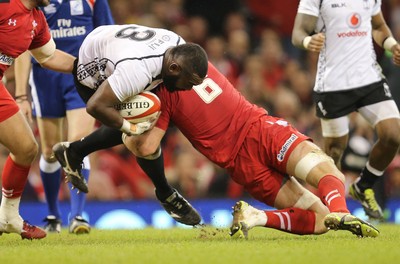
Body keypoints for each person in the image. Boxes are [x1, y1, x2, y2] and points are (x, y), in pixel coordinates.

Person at [57, 60, 379, 238]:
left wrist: (131, 126)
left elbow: (148, 147)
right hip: (260, 131)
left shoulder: (162, 97)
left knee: (320, 219)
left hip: (240, 163)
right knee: (327, 173)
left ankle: (256, 218)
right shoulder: (200, 63)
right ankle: (344, 213)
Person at [52, 23, 209, 226]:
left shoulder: (177, 44)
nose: (187, 89)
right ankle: (166, 193)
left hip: (111, 43)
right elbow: (95, 106)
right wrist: (129, 127)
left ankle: (73, 152)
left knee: (153, 118)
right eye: (188, 83)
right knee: (140, 125)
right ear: (173, 68)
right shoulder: (136, 72)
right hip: (92, 72)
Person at [291, 0, 400, 220]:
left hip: (369, 79)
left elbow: (378, 27)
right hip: (333, 86)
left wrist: (391, 45)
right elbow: (297, 32)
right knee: (334, 154)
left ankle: (363, 186)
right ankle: (330, 209)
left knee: (393, 135)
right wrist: (308, 40)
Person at [13, 0, 114, 234]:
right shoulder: (36, 2)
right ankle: (52, 214)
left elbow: (107, 36)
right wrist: (21, 94)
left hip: (82, 75)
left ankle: (77, 215)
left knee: (76, 143)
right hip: (44, 77)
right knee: (49, 150)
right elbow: (23, 46)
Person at [0, 0, 76, 240]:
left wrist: (83, 67)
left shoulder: (37, 19)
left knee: (26, 148)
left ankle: (8, 217)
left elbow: (49, 56)